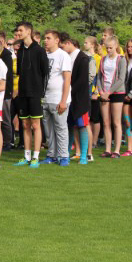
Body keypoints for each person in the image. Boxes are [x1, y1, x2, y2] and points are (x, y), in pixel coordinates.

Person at [13, 22, 48, 168]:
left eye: (21, 30)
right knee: (25, 124)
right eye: (18, 31)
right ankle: (26, 156)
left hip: (35, 93)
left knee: (35, 124)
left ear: (28, 31)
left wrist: (41, 92)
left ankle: (35, 157)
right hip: (23, 93)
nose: (18, 33)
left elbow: (45, 72)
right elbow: (20, 73)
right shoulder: (20, 50)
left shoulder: (39, 50)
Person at [40, 30, 72, 166]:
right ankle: (51, 154)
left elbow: (67, 79)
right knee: (48, 129)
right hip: (45, 98)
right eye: (45, 38)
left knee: (61, 127)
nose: (45, 40)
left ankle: (64, 156)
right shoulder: (44, 55)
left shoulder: (63, 55)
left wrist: (63, 100)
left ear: (57, 40)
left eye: (48, 38)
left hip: (58, 98)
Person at [59, 34, 92, 164]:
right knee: (69, 125)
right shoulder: (66, 57)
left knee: (82, 126)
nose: (61, 50)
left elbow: (83, 80)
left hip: (80, 99)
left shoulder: (82, 58)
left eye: (62, 47)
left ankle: (84, 156)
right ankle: (66, 153)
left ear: (68, 43)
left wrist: (68, 90)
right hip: (69, 98)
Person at [98, 36, 127, 158]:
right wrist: (101, 91)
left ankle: (117, 150)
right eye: (107, 48)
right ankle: (108, 149)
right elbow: (99, 77)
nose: (108, 50)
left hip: (117, 93)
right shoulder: (103, 59)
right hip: (104, 92)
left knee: (116, 122)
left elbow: (121, 79)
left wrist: (109, 92)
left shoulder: (121, 59)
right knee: (106, 122)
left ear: (116, 46)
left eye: (110, 47)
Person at [0, 31, 14, 151]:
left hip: (5, 90)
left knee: (5, 117)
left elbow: (7, 75)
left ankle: (8, 141)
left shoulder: (7, 55)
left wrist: (8, 91)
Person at [84, 36, 102, 148]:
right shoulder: (84, 56)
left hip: (94, 91)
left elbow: (98, 75)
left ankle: (94, 141)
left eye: (86, 43)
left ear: (92, 45)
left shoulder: (97, 58)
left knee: (95, 118)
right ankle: (88, 140)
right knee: (88, 118)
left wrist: (96, 91)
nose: (84, 44)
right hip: (86, 91)